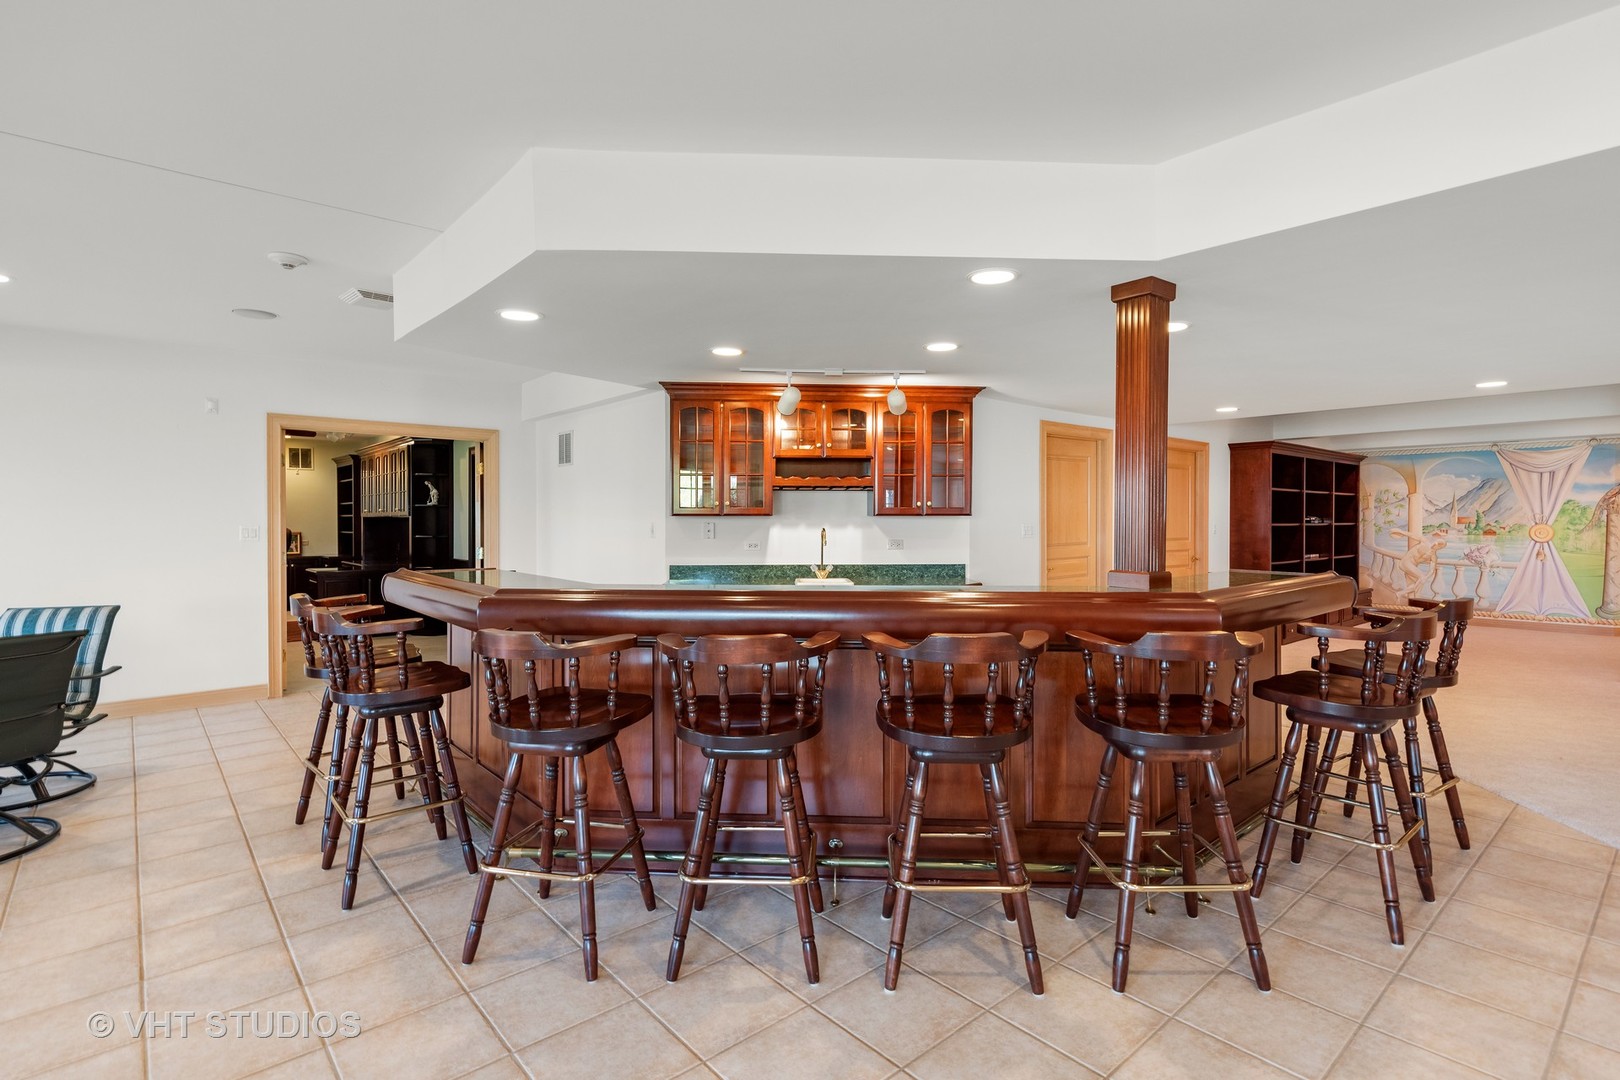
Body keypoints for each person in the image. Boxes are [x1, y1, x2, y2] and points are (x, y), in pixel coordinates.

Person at [1389, 523, 1450, 601]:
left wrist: (1426, 577)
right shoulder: (1425, 542)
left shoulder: (1433, 556)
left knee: (1419, 583)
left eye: (1439, 545)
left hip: (1412, 567)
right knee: (1421, 578)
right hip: (1405, 562)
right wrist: (1401, 532)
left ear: (1440, 548)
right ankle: (1404, 595)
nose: (1436, 545)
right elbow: (1412, 535)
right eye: (1437, 543)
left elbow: (1431, 570)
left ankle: (1402, 595)